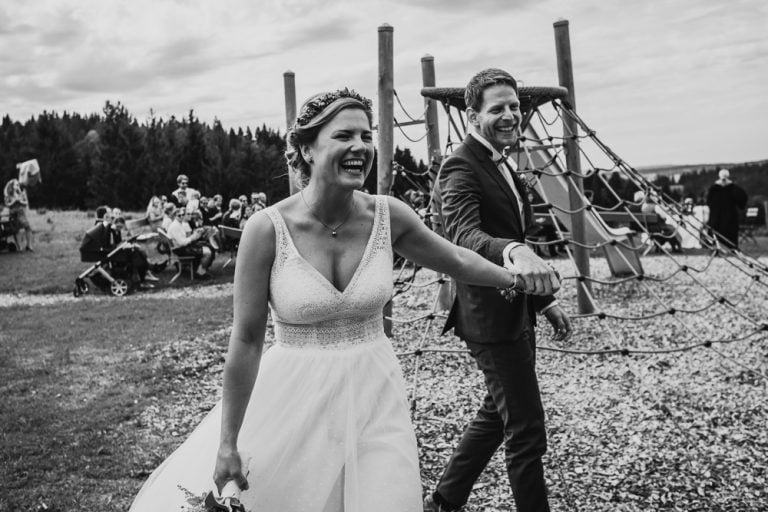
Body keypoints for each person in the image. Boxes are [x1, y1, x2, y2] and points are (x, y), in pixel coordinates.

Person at [128, 88, 555, 512]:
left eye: (367, 136)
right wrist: (227, 441)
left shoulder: (389, 216)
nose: (361, 147)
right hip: (293, 402)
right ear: (307, 149)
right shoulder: (265, 229)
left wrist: (517, 278)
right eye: (344, 136)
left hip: (375, 397)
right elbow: (246, 340)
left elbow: (459, 258)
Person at [425, 69, 572, 512]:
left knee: (495, 413)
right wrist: (514, 250)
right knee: (526, 430)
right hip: (489, 316)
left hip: (515, 310)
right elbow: (464, 235)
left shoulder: (500, 159)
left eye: (514, 106)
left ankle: (444, 501)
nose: (510, 115)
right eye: (497, 108)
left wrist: (544, 303)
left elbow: (505, 224)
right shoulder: (459, 166)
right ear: (472, 116)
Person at [80, 206, 154, 287]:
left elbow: (116, 242)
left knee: (138, 253)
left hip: (111, 250)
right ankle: (141, 279)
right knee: (137, 256)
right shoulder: (105, 227)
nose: (112, 215)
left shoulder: (108, 227)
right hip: (107, 252)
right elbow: (109, 243)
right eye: (109, 213)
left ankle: (142, 275)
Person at [165, 207, 214, 279]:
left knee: (208, 246)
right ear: (175, 216)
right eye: (179, 215)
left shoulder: (178, 224)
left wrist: (194, 236)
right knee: (208, 252)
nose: (181, 216)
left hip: (180, 248)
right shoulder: (175, 226)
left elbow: (183, 239)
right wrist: (193, 237)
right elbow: (182, 243)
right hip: (180, 250)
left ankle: (199, 270)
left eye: (182, 215)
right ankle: (200, 273)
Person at [706, 169, 748, 249]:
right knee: (727, 232)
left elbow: (709, 202)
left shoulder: (713, 189)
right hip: (729, 215)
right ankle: (729, 247)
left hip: (718, 216)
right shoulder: (733, 188)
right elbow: (743, 198)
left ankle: (719, 247)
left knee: (718, 231)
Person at [3, 178, 33, 251]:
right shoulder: (10, 191)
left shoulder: (19, 190)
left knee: (24, 228)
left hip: (19, 211)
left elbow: (25, 202)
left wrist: (19, 201)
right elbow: (8, 203)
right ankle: (21, 247)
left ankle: (26, 246)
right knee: (18, 229)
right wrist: (15, 201)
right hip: (16, 212)